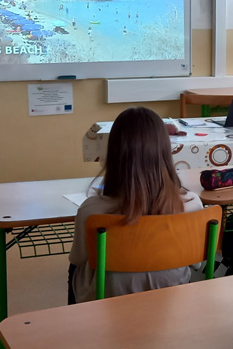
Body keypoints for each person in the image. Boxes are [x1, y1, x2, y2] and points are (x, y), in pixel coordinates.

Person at [67, 107, 203, 304]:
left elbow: (78, 258)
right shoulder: (192, 205)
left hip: (107, 299)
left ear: (113, 153)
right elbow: (196, 264)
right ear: (165, 151)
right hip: (171, 298)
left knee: (75, 268)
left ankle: (72, 319)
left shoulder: (92, 211)